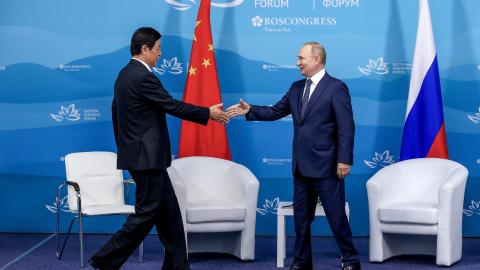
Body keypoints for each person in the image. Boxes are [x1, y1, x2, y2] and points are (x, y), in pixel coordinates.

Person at [89, 27, 229, 270]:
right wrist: (209, 113)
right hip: (147, 160)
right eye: (158, 49)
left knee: (170, 216)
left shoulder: (124, 75)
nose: (160, 54)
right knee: (146, 215)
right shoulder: (143, 76)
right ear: (145, 49)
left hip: (141, 157)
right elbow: (171, 105)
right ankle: (104, 260)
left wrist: (126, 148)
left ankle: (177, 267)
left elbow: (116, 114)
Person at [227, 42, 360, 270]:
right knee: (300, 221)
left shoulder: (336, 88)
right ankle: (301, 262)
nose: (297, 62)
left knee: (337, 219)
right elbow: (276, 111)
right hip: (300, 167)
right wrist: (251, 110)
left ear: (316, 60)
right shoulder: (297, 87)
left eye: (301, 58)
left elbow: (346, 126)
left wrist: (344, 159)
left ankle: (351, 261)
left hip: (328, 166)